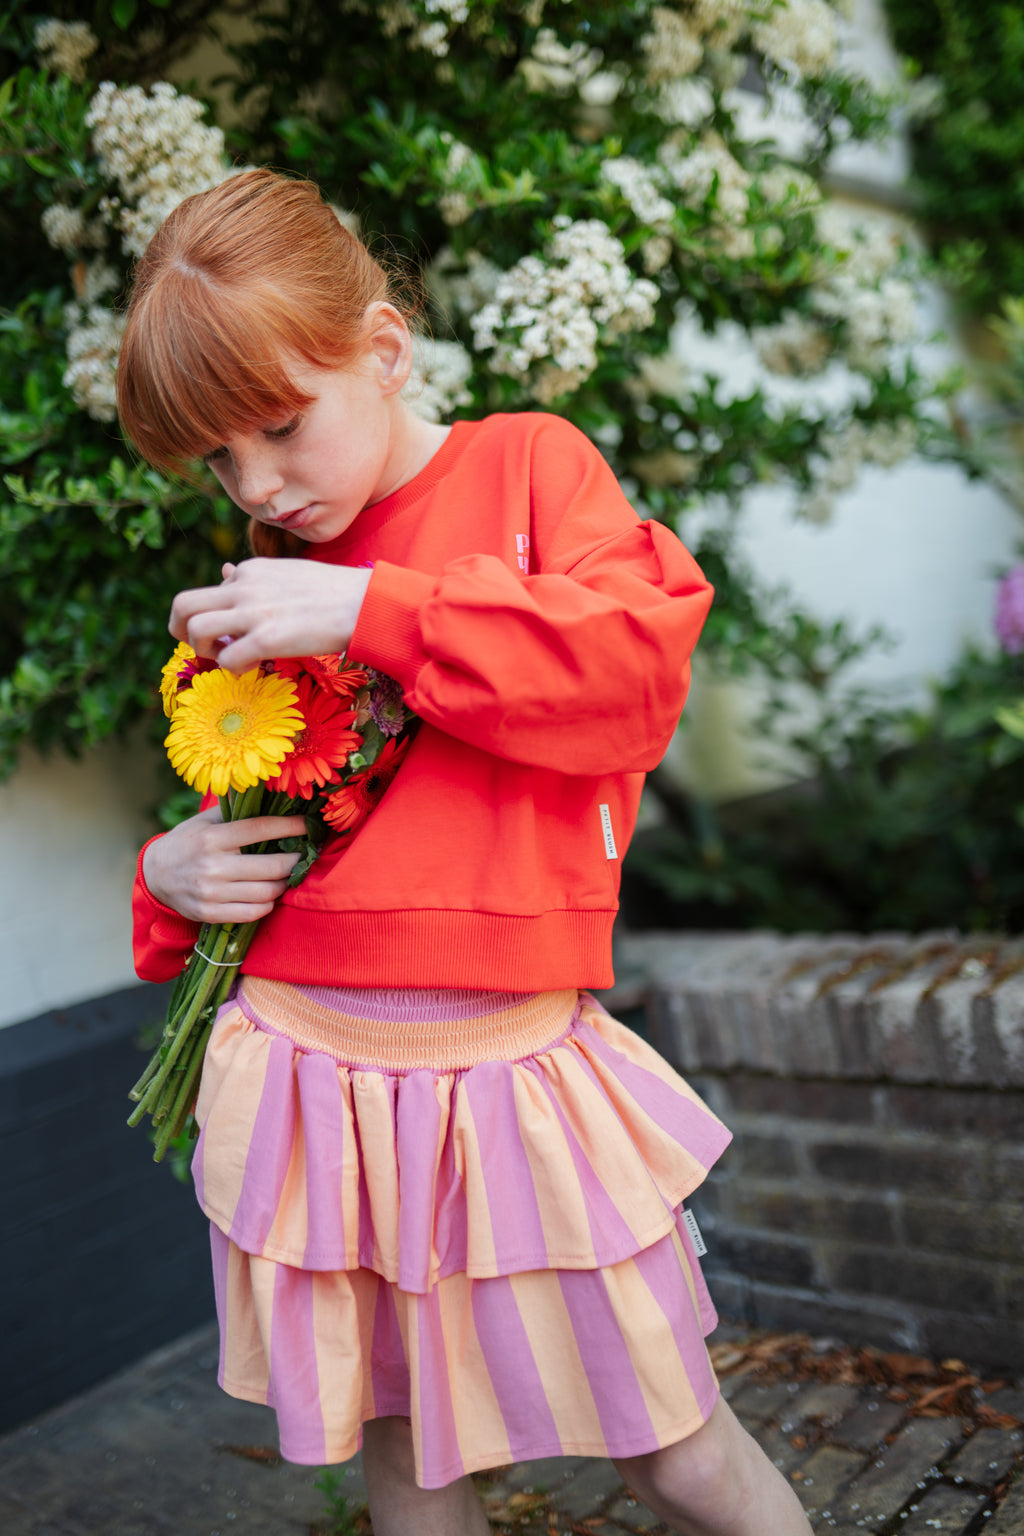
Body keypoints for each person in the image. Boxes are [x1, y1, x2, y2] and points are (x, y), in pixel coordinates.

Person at [119, 167, 812, 1536]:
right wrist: (166, 877)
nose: (259, 485)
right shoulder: (275, 559)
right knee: (411, 1468)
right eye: (219, 458)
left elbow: (630, 680)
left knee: (677, 1449)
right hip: (312, 1073)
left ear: (383, 349)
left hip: (508, 1070)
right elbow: (262, 811)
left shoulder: (528, 467)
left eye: (280, 425)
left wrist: (372, 609)